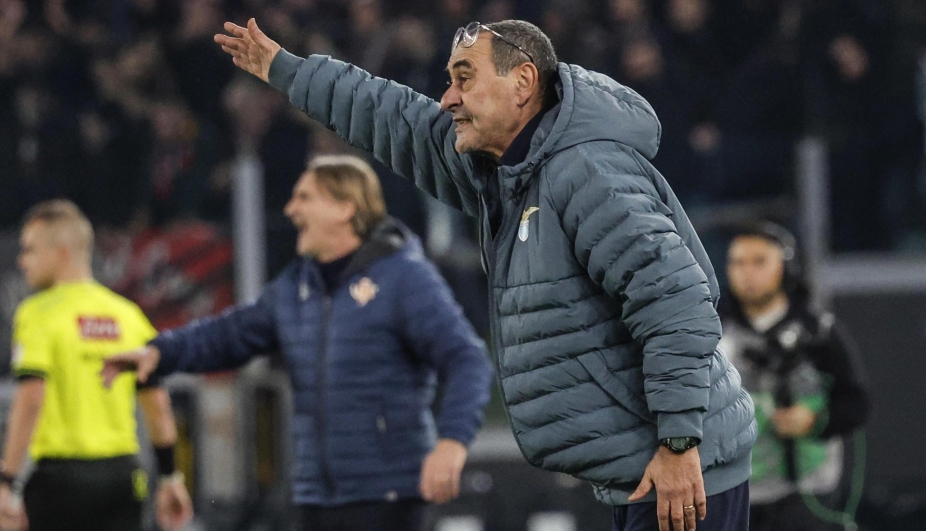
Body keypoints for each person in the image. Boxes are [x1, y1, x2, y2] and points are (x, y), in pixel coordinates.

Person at [207, 17, 757, 531]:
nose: (448, 98)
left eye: (464, 79)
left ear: (522, 84)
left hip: (683, 473)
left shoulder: (586, 171)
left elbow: (675, 302)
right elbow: (393, 116)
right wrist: (290, 71)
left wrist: (682, 443)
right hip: (644, 470)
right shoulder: (510, 174)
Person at [103, 155, 493, 531]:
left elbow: (467, 360)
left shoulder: (404, 279)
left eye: (304, 197)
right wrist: (160, 351)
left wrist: (452, 442)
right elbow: (229, 334)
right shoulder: (298, 285)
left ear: (344, 207)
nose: (291, 210)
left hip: (389, 496)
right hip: (316, 496)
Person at [0, 199, 193, 531]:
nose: (22, 260)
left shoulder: (38, 313)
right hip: (123, 477)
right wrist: (169, 477)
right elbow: (157, 404)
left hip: (60, 481)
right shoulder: (127, 315)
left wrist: (9, 481)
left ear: (61, 253)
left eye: (30, 250)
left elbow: (31, 399)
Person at [719, 222, 869, 531]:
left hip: (806, 491)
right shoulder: (713, 333)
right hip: (731, 490)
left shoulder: (819, 334)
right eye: (738, 262)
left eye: (760, 261)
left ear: (786, 267)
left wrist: (814, 420)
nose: (747, 272)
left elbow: (856, 402)